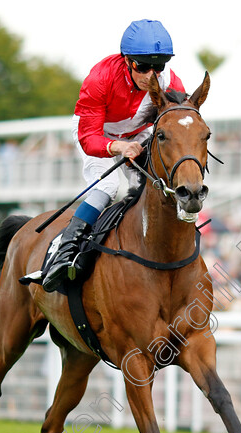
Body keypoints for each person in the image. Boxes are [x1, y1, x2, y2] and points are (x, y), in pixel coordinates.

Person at [42, 19, 185, 292]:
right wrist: (118, 147)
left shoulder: (170, 83)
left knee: (154, 186)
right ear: (127, 61)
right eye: (143, 67)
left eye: (159, 66)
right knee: (109, 186)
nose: (151, 76)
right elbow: (89, 138)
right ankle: (66, 252)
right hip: (98, 133)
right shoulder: (100, 78)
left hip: (139, 132)